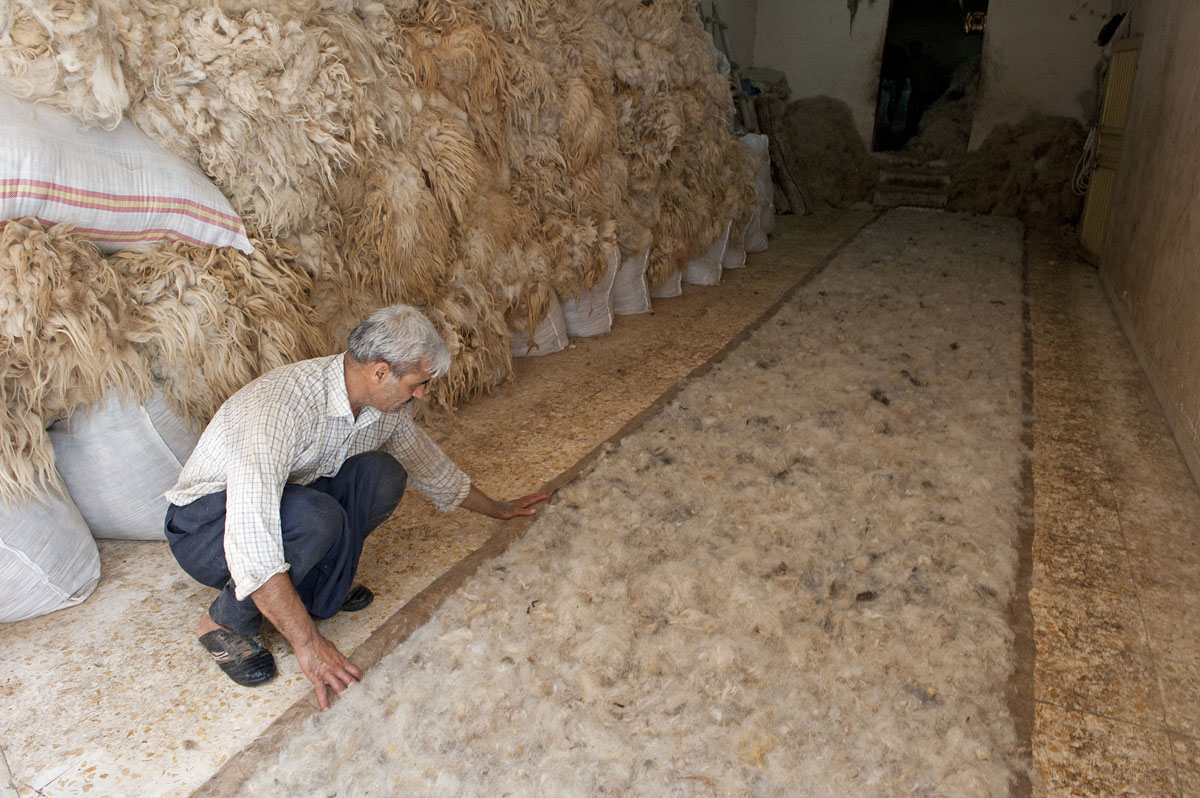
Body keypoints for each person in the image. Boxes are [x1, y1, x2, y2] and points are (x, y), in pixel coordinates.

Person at [163, 304, 547, 708]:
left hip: (288, 504)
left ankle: (314, 586)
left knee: (383, 475)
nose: (421, 393)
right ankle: (223, 621)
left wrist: (498, 508)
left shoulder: (382, 406)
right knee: (316, 518)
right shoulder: (279, 409)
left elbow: (426, 464)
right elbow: (250, 536)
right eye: (416, 384)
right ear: (380, 372)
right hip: (207, 528)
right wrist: (309, 645)